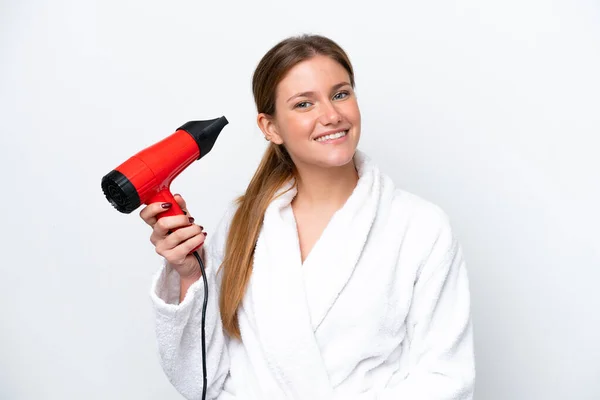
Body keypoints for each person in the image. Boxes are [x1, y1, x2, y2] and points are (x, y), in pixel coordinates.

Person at [140, 34, 475, 400]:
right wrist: (188, 276)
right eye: (304, 104)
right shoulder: (242, 225)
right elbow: (200, 379)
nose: (331, 116)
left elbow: (445, 379)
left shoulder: (420, 228)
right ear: (270, 127)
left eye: (341, 94)